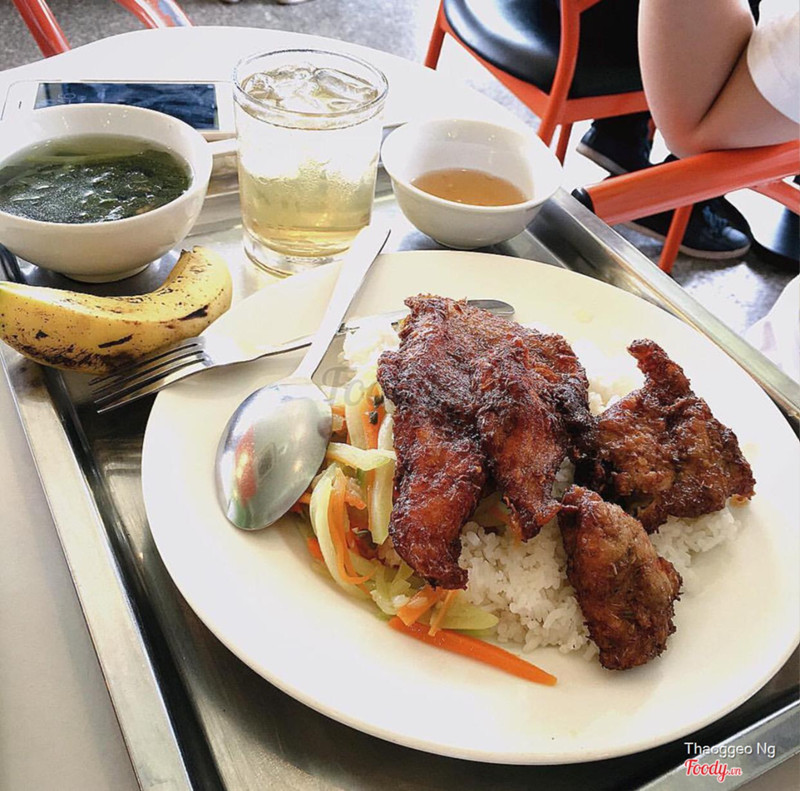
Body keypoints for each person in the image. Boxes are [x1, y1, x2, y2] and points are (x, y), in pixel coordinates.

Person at [578, 0, 798, 260]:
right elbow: (696, 136)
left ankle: (620, 136)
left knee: (700, 135)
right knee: (700, 136)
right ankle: (676, 198)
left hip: (572, 22)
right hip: (592, 37)